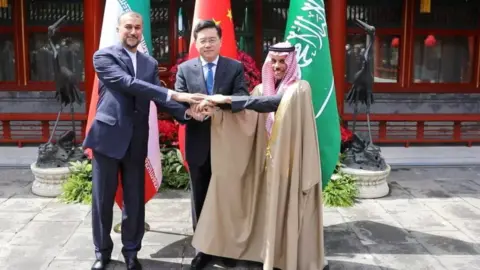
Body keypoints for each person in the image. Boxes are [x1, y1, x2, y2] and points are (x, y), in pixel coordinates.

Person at [83, 11, 204, 270]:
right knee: (102, 200)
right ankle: (102, 252)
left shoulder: (149, 63)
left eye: (138, 28)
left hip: (137, 140)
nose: (134, 32)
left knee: (135, 201)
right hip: (108, 137)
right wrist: (174, 93)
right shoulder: (103, 56)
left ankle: (131, 252)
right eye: (129, 27)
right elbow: (128, 84)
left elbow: (158, 99)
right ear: (119, 29)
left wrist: (186, 112)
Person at [192, 42, 326, 270]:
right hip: (264, 163)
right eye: (273, 61)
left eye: (282, 62)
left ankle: (287, 257)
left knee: (288, 208)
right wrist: (217, 113)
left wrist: (226, 99)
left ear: (291, 63)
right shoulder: (260, 90)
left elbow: (274, 103)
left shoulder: (300, 89)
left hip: (290, 164)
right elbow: (245, 119)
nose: (277, 66)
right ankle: (266, 252)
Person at [174, 19, 249, 268]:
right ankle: (203, 248)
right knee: (200, 198)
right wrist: (190, 113)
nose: (207, 44)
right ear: (195, 43)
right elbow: (177, 103)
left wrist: (218, 104)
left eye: (212, 39)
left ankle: (226, 247)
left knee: (226, 196)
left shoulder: (234, 67)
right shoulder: (185, 69)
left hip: (227, 143)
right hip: (198, 143)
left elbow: (242, 98)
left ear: (220, 41)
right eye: (202, 40)